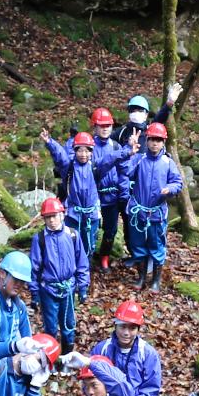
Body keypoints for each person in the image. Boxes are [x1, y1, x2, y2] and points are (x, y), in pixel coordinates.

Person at [119, 122, 183, 291]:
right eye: (152, 139)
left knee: (157, 246)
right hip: (138, 211)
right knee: (138, 245)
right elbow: (125, 172)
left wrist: (170, 189)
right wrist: (128, 151)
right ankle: (140, 278)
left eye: (158, 140)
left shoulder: (168, 162)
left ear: (163, 142)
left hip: (157, 213)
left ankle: (155, 280)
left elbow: (178, 182)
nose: (155, 143)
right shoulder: (139, 159)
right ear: (146, 140)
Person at [29, 196, 91, 352]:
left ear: (62, 215)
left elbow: (82, 262)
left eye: (54, 216)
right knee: (50, 327)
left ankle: (66, 357)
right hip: (48, 289)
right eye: (48, 217)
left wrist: (82, 287)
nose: (51, 220)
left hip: (68, 288)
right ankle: (51, 357)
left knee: (68, 325)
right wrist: (34, 293)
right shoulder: (40, 239)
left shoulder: (72, 235)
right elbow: (34, 268)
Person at [93, 300, 163, 396]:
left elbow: (151, 386)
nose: (126, 333)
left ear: (138, 330)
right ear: (115, 326)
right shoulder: (102, 349)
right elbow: (92, 380)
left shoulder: (147, 353)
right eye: (122, 327)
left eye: (132, 328)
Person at [42, 128, 102, 259]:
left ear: (91, 152)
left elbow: (111, 159)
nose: (83, 154)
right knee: (71, 242)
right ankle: (71, 268)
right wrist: (49, 142)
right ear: (75, 151)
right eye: (80, 150)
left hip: (91, 213)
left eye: (87, 151)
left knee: (90, 243)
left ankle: (86, 269)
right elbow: (60, 155)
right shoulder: (68, 167)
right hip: (73, 213)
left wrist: (127, 151)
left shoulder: (95, 167)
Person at [88, 107, 127, 271]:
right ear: (95, 127)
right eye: (101, 126)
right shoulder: (88, 147)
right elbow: (92, 171)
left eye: (108, 126)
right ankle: (87, 259)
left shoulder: (116, 146)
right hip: (94, 196)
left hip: (112, 196)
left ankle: (104, 258)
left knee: (111, 230)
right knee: (91, 229)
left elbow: (123, 170)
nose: (105, 129)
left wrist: (123, 193)